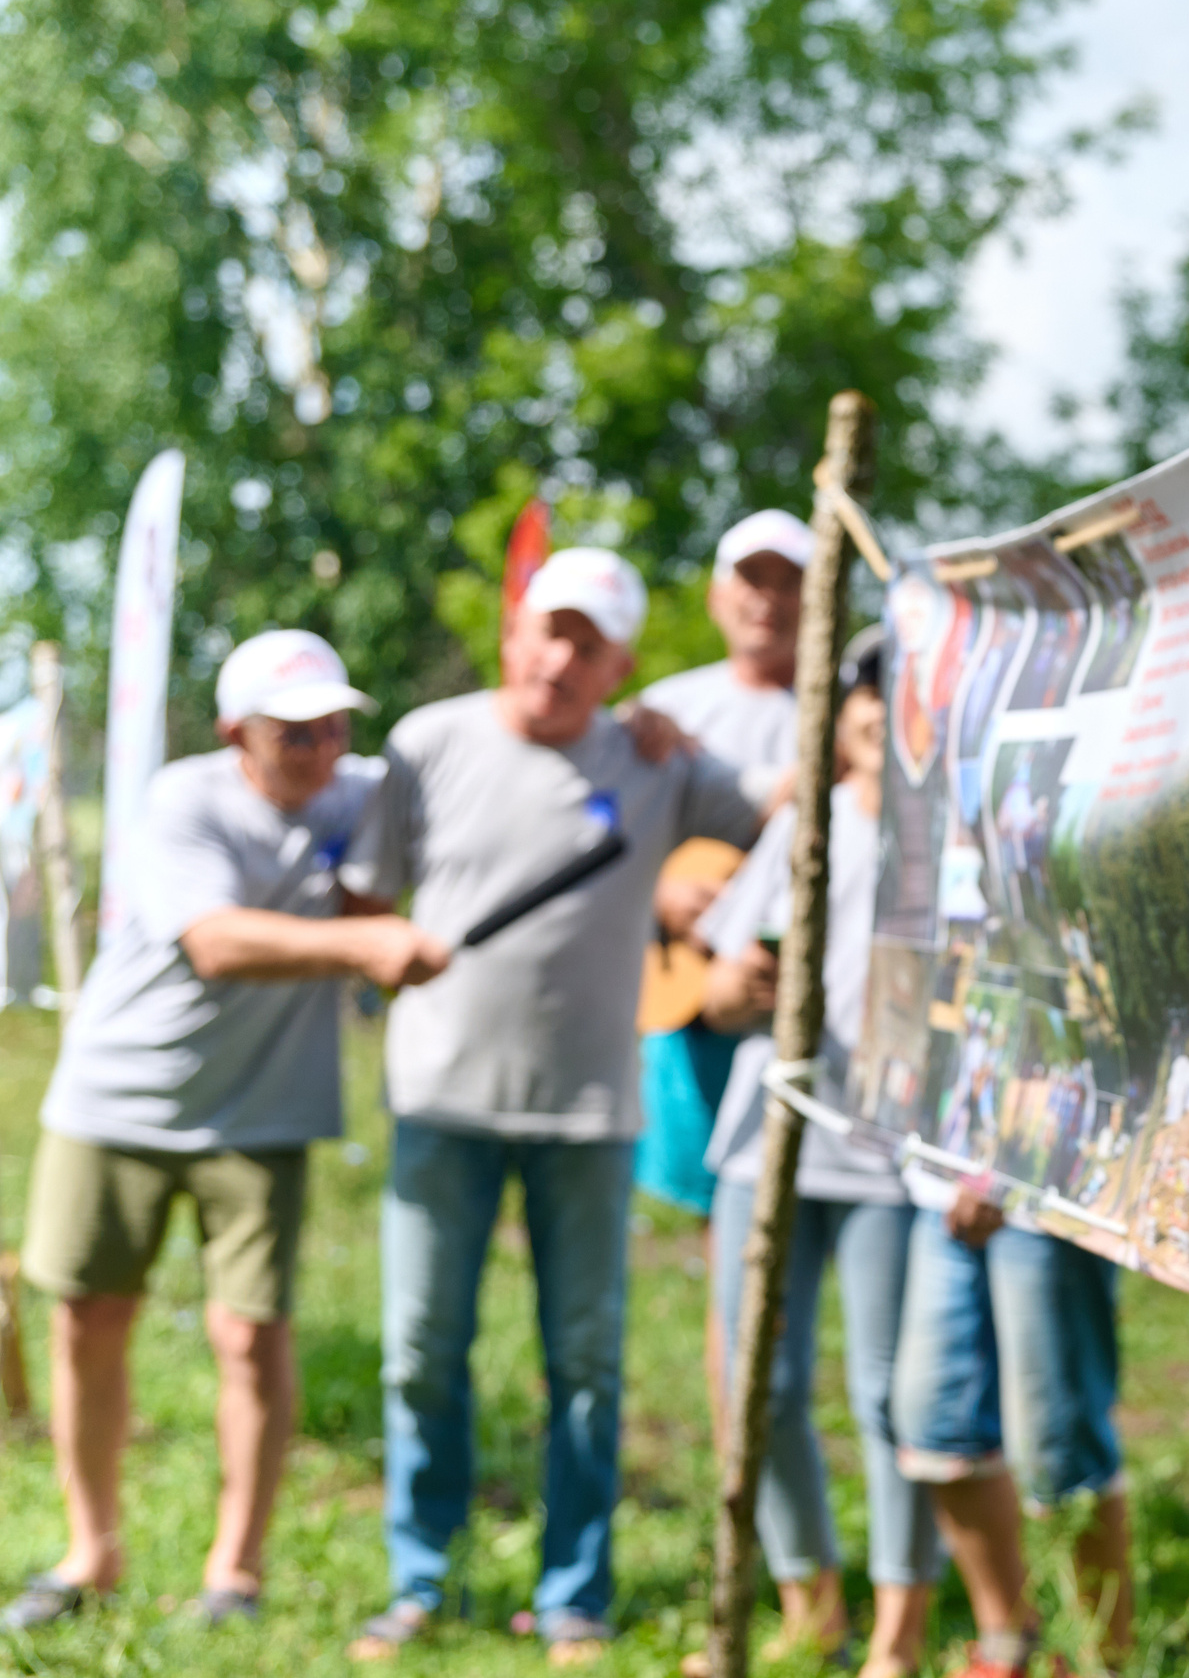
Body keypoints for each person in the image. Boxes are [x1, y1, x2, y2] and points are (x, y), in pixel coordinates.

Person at [342, 549, 769, 1664]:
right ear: (513, 636)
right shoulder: (428, 743)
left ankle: (574, 1590)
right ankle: (421, 1576)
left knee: (585, 1363)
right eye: (550, 632)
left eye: (591, 644)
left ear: (621, 664)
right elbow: (368, 901)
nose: (563, 659)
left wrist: (695, 768)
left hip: (589, 1109)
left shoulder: (654, 760)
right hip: (442, 1098)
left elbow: (789, 821)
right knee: (420, 1350)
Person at [6, 632, 447, 1633]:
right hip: (119, 1098)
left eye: (335, 725)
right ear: (234, 732)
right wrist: (366, 941)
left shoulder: (360, 791)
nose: (320, 747)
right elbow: (216, 941)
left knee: (249, 1333)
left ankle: (234, 1574)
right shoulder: (182, 802)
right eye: (293, 731)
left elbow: (470, 775)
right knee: (88, 1318)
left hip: (265, 1112)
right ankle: (92, 1550)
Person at [685, 632, 941, 1678]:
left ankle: (898, 1630)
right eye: (860, 700)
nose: (877, 713)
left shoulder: (954, 841)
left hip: (893, 1157)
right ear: (838, 722)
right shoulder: (805, 824)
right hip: (770, 1143)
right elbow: (711, 986)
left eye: (899, 698)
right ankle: (807, 1600)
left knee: (893, 1395)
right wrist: (735, 994)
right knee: (762, 1382)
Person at [632, 511, 811, 1438]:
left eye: (788, 581)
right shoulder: (671, 710)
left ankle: (778, 1460)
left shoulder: (848, 704)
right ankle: (742, 1454)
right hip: (696, 1014)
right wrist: (666, 901)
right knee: (734, 1248)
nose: (767, 599)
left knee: (787, 1258)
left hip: (809, 1009)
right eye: (751, 577)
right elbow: (610, 846)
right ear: (717, 593)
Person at [892, 1194, 1135, 1677]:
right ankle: (1008, 1646)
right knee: (938, 1420)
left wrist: (1000, 1166)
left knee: (1061, 1444)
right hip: (939, 1186)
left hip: (1051, 1196)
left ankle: (1101, 1661)